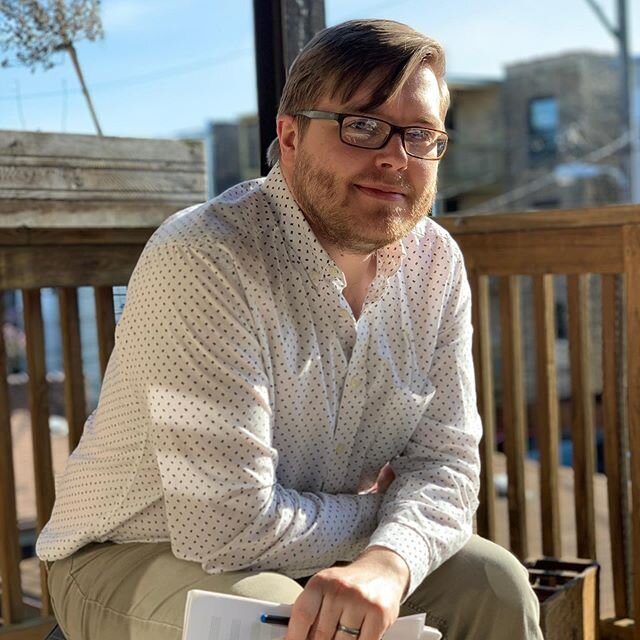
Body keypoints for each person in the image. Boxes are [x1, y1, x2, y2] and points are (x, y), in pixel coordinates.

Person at [37, 18, 542, 640]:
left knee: (495, 584)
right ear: (291, 134)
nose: (395, 157)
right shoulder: (204, 257)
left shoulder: (436, 262)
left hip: (315, 543)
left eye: (420, 135)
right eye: (362, 125)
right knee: (277, 623)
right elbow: (225, 526)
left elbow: (450, 465)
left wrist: (388, 562)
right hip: (138, 550)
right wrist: (381, 517)